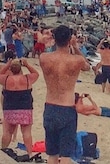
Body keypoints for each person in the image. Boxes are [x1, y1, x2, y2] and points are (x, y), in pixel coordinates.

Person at [39, 24, 91, 164]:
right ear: (69, 40)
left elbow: (45, 48)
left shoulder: (44, 58)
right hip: (67, 108)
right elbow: (87, 67)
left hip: (50, 106)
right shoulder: (76, 60)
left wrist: (48, 40)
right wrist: (75, 47)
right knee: (66, 156)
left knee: (52, 154)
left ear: (54, 39)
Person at [0, 57, 39, 160]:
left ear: (10, 69)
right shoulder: (27, 79)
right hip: (25, 108)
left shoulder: (6, 80)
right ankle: (29, 153)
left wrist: (8, 64)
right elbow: (36, 73)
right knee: (26, 132)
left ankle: (3, 150)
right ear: (21, 68)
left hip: (10, 108)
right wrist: (27, 64)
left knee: (7, 132)